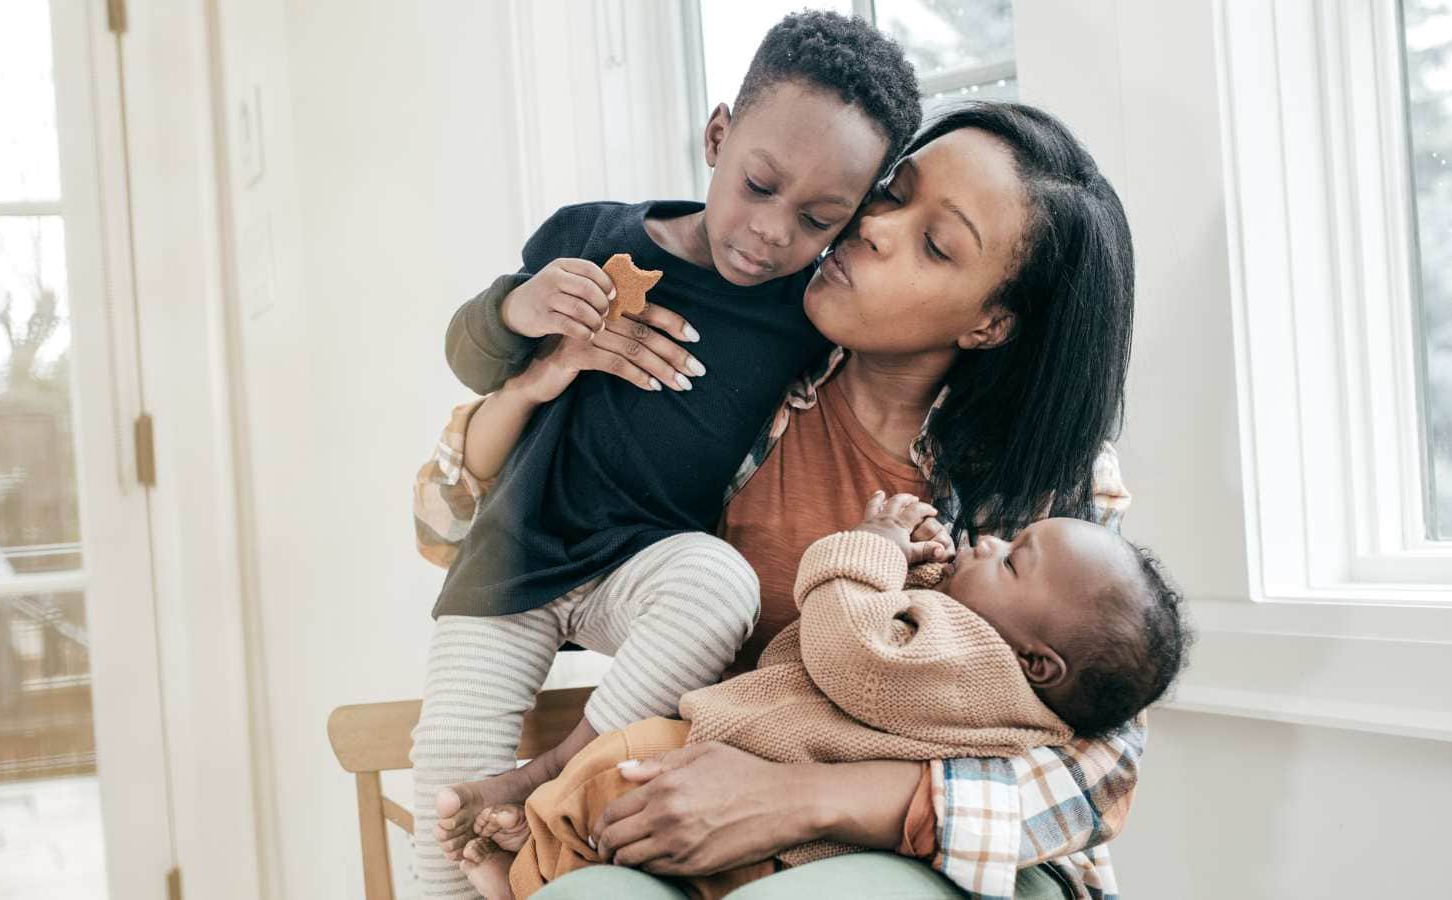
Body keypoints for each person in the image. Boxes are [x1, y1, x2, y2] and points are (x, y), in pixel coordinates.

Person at [422, 100, 1143, 900]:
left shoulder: (1044, 480)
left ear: (990, 322)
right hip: (699, 823)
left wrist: (797, 802)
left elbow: (1103, 765)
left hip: (933, 858)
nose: (874, 228)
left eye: (935, 245)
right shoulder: (744, 362)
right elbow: (445, 520)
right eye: (891, 194)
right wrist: (535, 380)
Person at [411, 13, 923, 898]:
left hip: (639, 570)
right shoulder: (593, 233)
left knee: (717, 582)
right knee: (446, 801)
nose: (771, 231)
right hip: (514, 557)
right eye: (759, 185)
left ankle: (562, 770)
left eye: (817, 219)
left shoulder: (811, 312)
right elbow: (468, 349)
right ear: (718, 135)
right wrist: (522, 311)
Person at [452, 491, 1189, 900]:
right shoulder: (1001, 681)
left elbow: (857, 656)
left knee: (620, 775)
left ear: (1039, 663)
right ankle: (536, 859)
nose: (990, 542)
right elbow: (913, 680)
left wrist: (868, 549)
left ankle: (528, 863)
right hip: (780, 818)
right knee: (623, 824)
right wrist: (928, 577)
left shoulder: (978, 661)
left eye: (1014, 558)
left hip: (799, 811)